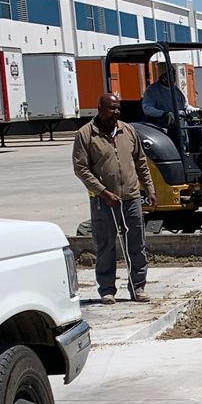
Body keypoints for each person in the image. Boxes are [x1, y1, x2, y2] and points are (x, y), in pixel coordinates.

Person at [71, 92, 155, 303]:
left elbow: (141, 162)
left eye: (118, 108)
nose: (116, 113)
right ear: (100, 108)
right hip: (103, 201)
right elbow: (81, 168)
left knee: (136, 245)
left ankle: (138, 287)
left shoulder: (128, 131)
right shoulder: (86, 134)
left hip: (131, 197)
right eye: (111, 108)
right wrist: (103, 192)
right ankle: (107, 290)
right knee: (106, 245)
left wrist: (150, 189)